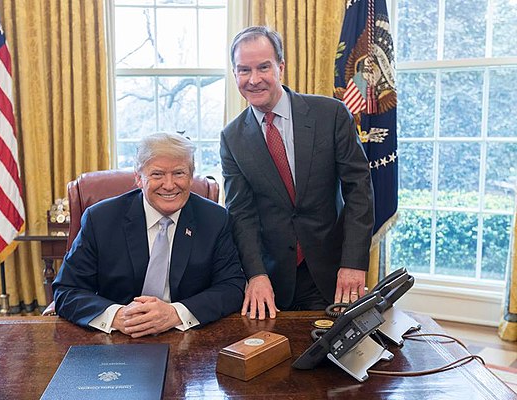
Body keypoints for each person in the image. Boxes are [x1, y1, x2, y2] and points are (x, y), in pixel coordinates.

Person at [220, 26, 374, 320]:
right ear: (234, 73)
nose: (254, 79)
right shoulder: (232, 137)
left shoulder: (331, 115)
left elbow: (359, 190)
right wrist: (255, 274)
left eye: (263, 67)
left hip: (332, 271)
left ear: (280, 66)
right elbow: (241, 213)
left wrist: (354, 262)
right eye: (243, 70)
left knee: (332, 358)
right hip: (272, 281)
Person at [53, 132, 246, 337]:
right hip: (117, 338)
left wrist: (176, 313)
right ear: (138, 178)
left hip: (187, 335)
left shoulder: (215, 219)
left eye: (179, 173)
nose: (170, 185)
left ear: (191, 177)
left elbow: (232, 287)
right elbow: (67, 290)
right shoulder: (101, 219)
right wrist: (118, 316)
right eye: (157, 174)